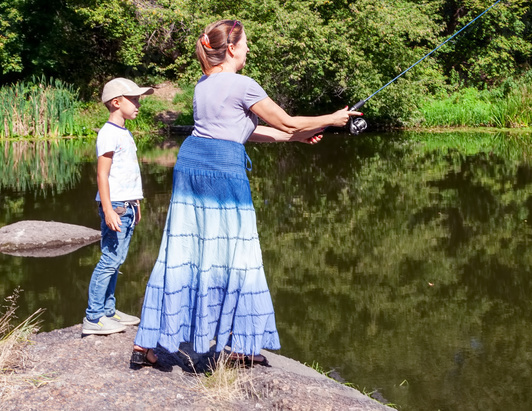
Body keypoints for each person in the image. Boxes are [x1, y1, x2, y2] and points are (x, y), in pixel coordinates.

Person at [131, 19, 360, 369]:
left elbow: (241, 131)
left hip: (191, 163)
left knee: (183, 249)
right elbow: (287, 121)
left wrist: (296, 136)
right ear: (233, 48)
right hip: (223, 170)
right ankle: (239, 345)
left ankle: (148, 342)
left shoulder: (203, 84)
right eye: (247, 43)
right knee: (239, 253)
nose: (249, 49)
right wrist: (333, 117)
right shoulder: (243, 84)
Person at [82, 77, 154, 336]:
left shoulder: (124, 132)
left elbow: (127, 175)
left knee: (117, 260)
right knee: (109, 260)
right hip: (116, 207)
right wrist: (110, 208)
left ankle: (107, 311)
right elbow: (102, 175)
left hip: (127, 206)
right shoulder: (109, 133)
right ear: (116, 102)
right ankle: (93, 317)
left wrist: (135, 203)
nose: (138, 104)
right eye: (133, 99)